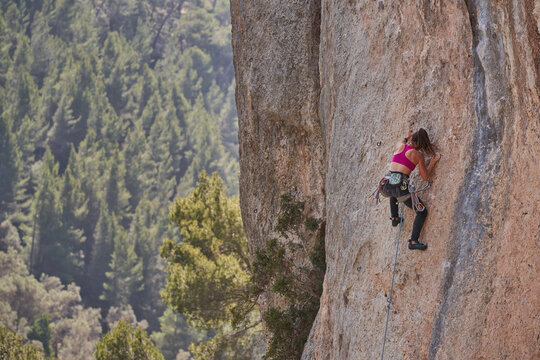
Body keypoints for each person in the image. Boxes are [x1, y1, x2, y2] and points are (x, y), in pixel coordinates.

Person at [381, 128, 441, 250]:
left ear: (411, 139)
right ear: (422, 145)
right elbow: (425, 177)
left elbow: (403, 141)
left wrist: (407, 136)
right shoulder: (418, 155)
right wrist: (433, 162)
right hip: (399, 189)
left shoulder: (400, 145)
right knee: (422, 211)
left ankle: (394, 217)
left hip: (384, 185)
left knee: (394, 191)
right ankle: (413, 241)